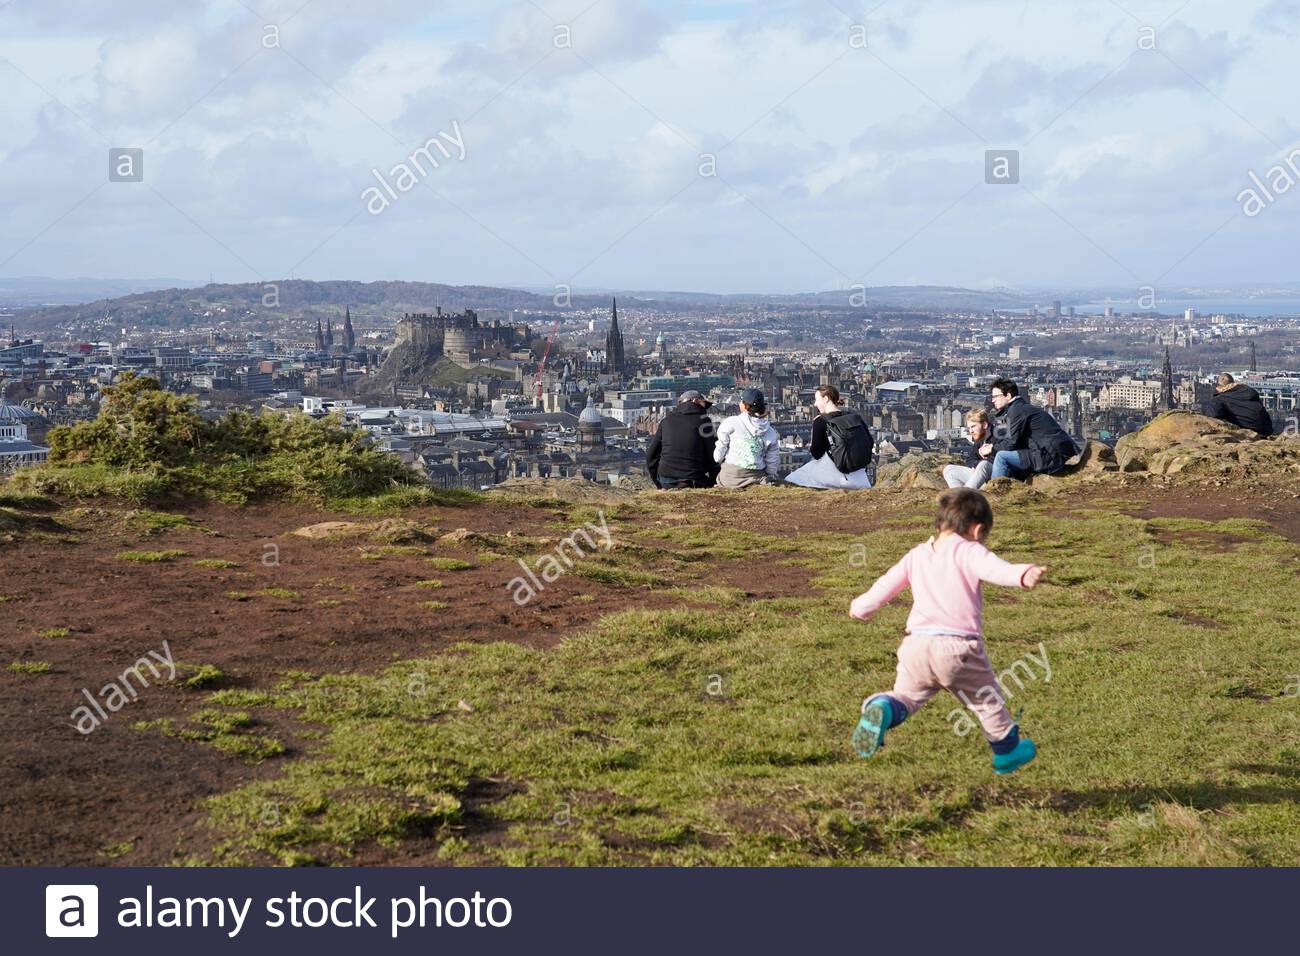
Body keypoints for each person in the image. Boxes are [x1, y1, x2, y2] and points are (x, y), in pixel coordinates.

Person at [848, 488, 1045, 775]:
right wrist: (1023, 574)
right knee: (986, 699)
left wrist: (861, 607)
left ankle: (883, 708)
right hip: (958, 648)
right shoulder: (968, 551)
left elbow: (885, 586)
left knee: (907, 696)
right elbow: (996, 569)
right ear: (977, 530)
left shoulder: (916, 555)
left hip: (916, 647)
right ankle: (1007, 750)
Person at [985, 378, 1078, 481]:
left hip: (1049, 455)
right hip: (1051, 452)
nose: (993, 400)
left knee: (1001, 457)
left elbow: (1010, 443)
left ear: (1008, 395)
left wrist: (991, 449)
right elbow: (1006, 438)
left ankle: (995, 492)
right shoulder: (1019, 408)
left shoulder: (1017, 410)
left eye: (995, 396)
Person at [784, 385, 873, 489]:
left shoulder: (820, 421)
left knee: (792, 479)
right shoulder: (854, 416)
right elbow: (870, 442)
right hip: (862, 477)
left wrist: (815, 429)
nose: (815, 404)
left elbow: (816, 453)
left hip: (838, 477)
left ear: (826, 398)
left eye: (817, 399)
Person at [645, 390, 720, 489]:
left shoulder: (666, 421)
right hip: (693, 480)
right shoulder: (704, 422)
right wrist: (714, 482)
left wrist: (658, 483)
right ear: (695, 401)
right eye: (703, 404)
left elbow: (651, 455)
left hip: (666, 480)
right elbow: (713, 456)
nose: (704, 408)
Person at [713, 387, 781, 488]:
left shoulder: (731, 422)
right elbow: (772, 466)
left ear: (745, 406)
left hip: (730, 478)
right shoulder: (771, 432)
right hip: (756, 478)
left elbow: (717, 457)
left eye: (741, 401)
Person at [1206, 373, 1274, 437]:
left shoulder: (1219, 399)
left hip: (1250, 431)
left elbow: (1214, 417)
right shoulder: (1249, 390)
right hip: (1267, 430)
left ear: (1218, 386)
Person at [943, 409, 994, 489]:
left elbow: (996, 460)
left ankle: (965, 495)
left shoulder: (998, 435)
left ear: (984, 425)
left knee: (984, 464)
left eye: (973, 426)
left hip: (993, 479)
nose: (971, 431)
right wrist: (975, 465)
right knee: (949, 469)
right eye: (969, 428)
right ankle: (958, 497)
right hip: (979, 477)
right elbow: (970, 460)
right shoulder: (979, 438)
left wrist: (978, 465)